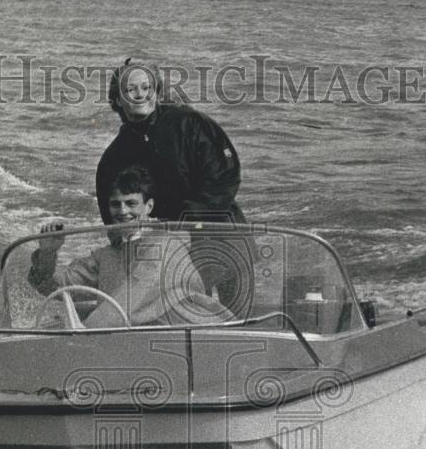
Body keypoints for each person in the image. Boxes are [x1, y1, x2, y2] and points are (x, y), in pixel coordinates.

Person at [97, 58, 253, 313]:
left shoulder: (190, 123)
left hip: (223, 239)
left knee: (240, 322)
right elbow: (115, 220)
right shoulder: (113, 159)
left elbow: (225, 175)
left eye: (147, 88)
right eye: (130, 90)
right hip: (165, 257)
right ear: (117, 100)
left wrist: (187, 220)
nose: (140, 95)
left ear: (157, 92)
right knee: (179, 324)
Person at [22, 166, 233, 329]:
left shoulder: (167, 245)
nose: (122, 212)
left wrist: (85, 333)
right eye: (116, 204)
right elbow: (54, 288)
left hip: (194, 338)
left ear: (149, 206)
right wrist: (48, 252)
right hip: (130, 342)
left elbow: (134, 296)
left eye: (131, 203)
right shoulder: (107, 255)